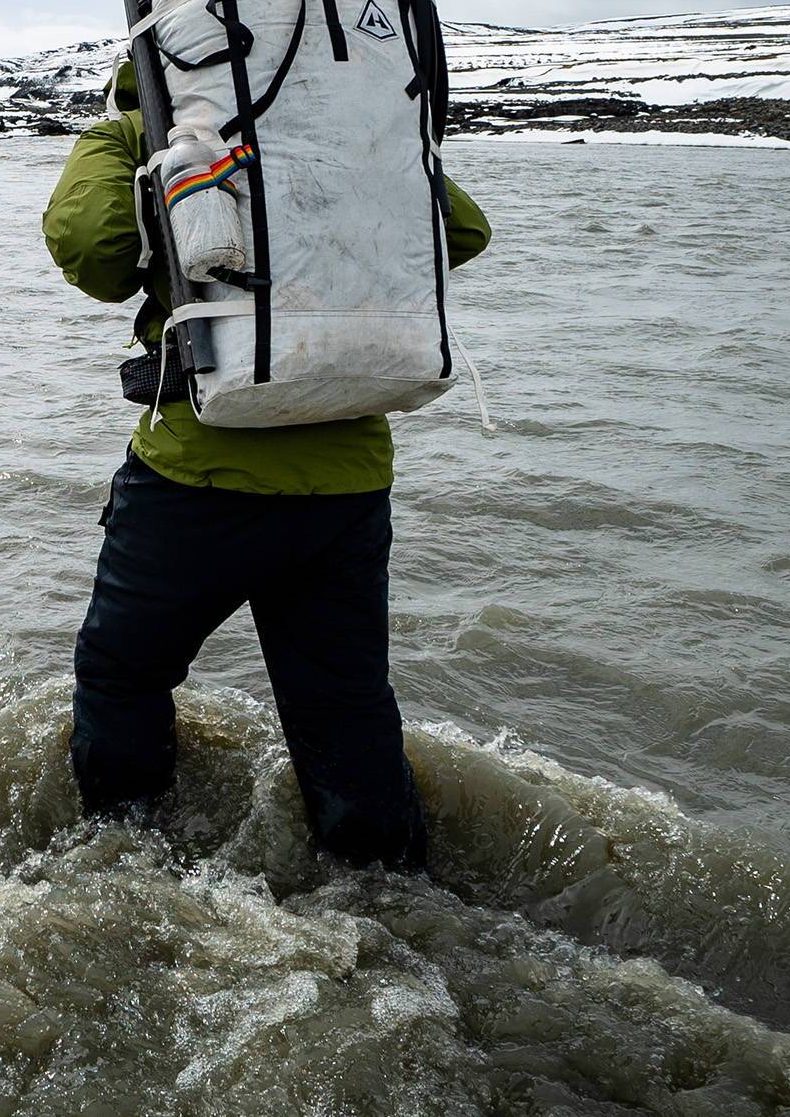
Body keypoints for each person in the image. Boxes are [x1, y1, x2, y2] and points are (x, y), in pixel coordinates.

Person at [42, 57, 491, 872]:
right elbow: (462, 232)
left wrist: (117, 135)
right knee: (344, 707)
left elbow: (97, 251)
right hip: (347, 481)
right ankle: (385, 886)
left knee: (121, 676)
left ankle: (123, 860)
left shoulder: (148, 134)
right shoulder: (343, 141)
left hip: (196, 474)